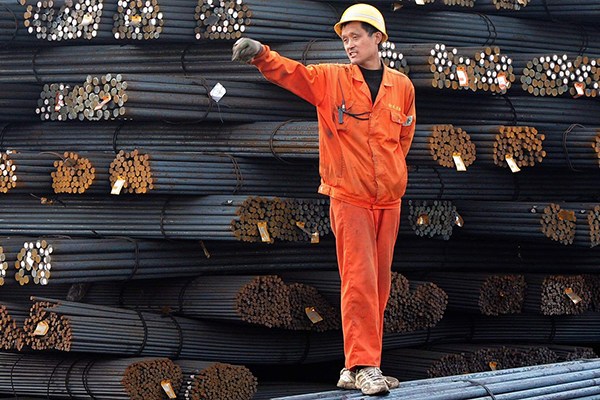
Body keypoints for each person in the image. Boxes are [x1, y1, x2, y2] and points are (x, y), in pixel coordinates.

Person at [232, 3, 415, 396]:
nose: (348, 44)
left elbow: (403, 140)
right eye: (344, 38)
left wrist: (393, 175)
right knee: (360, 281)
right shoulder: (331, 80)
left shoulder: (402, 87)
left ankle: (357, 366)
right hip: (349, 198)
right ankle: (366, 365)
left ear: (377, 38)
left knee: (380, 286)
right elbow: (294, 74)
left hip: (389, 200)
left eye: (356, 37)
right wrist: (262, 54)